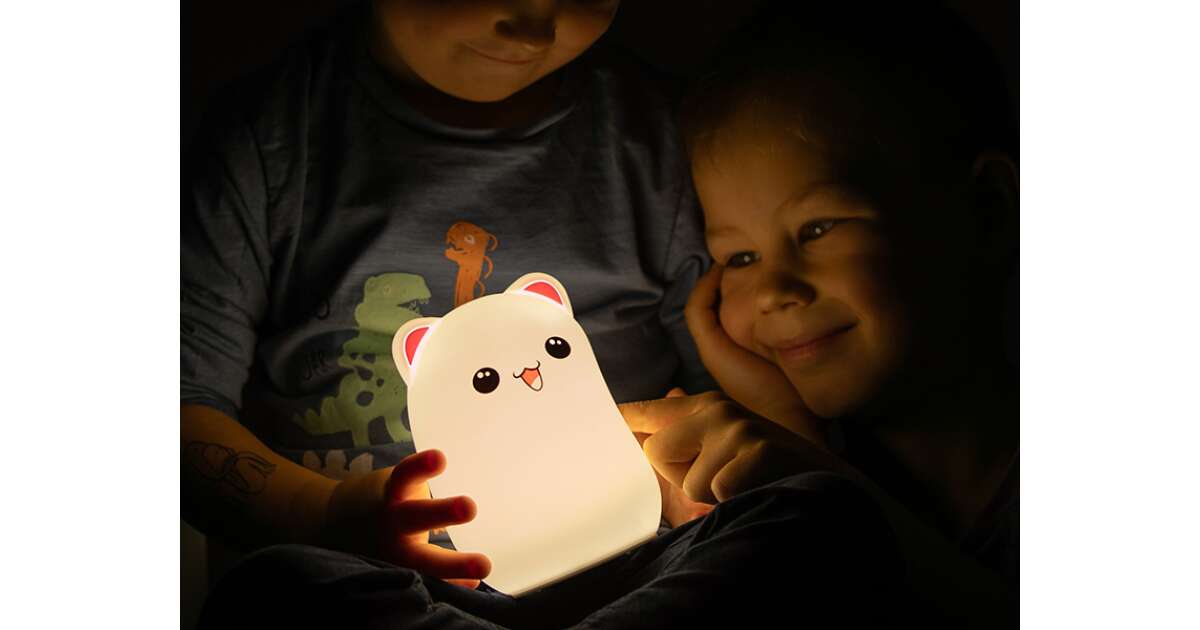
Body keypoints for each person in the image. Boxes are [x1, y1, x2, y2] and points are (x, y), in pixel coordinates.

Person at [182, 0, 716, 595]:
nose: (534, 27)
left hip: (639, 569)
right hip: (357, 585)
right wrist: (322, 514)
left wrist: (697, 474)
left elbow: (726, 405)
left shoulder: (664, 137)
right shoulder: (268, 138)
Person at [623, 2, 1020, 626]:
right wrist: (783, 427)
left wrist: (816, 488)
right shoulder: (784, 452)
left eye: (816, 228)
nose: (772, 290)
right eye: (740, 257)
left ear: (989, 211)